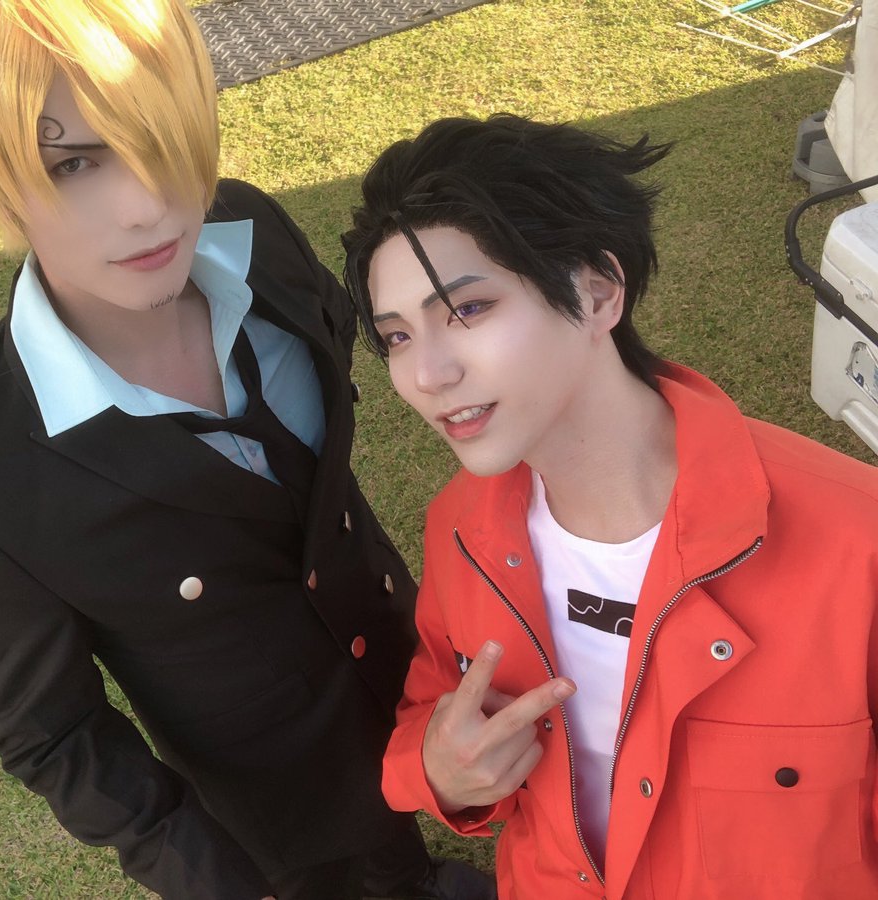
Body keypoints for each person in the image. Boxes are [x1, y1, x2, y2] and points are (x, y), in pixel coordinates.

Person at [0, 2, 495, 898]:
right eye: (72, 163)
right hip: (289, 817)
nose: (149, 204)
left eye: (155, 133)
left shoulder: (257, 238)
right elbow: (60, 741)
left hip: (422, 671)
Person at [341, 114, 878, 899]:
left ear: (598, 291)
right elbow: (435, 705)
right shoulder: (461, 529)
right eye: (396, 337)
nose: (427, 374)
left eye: (469, 309)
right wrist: (439, 769)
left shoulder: (857, 545)